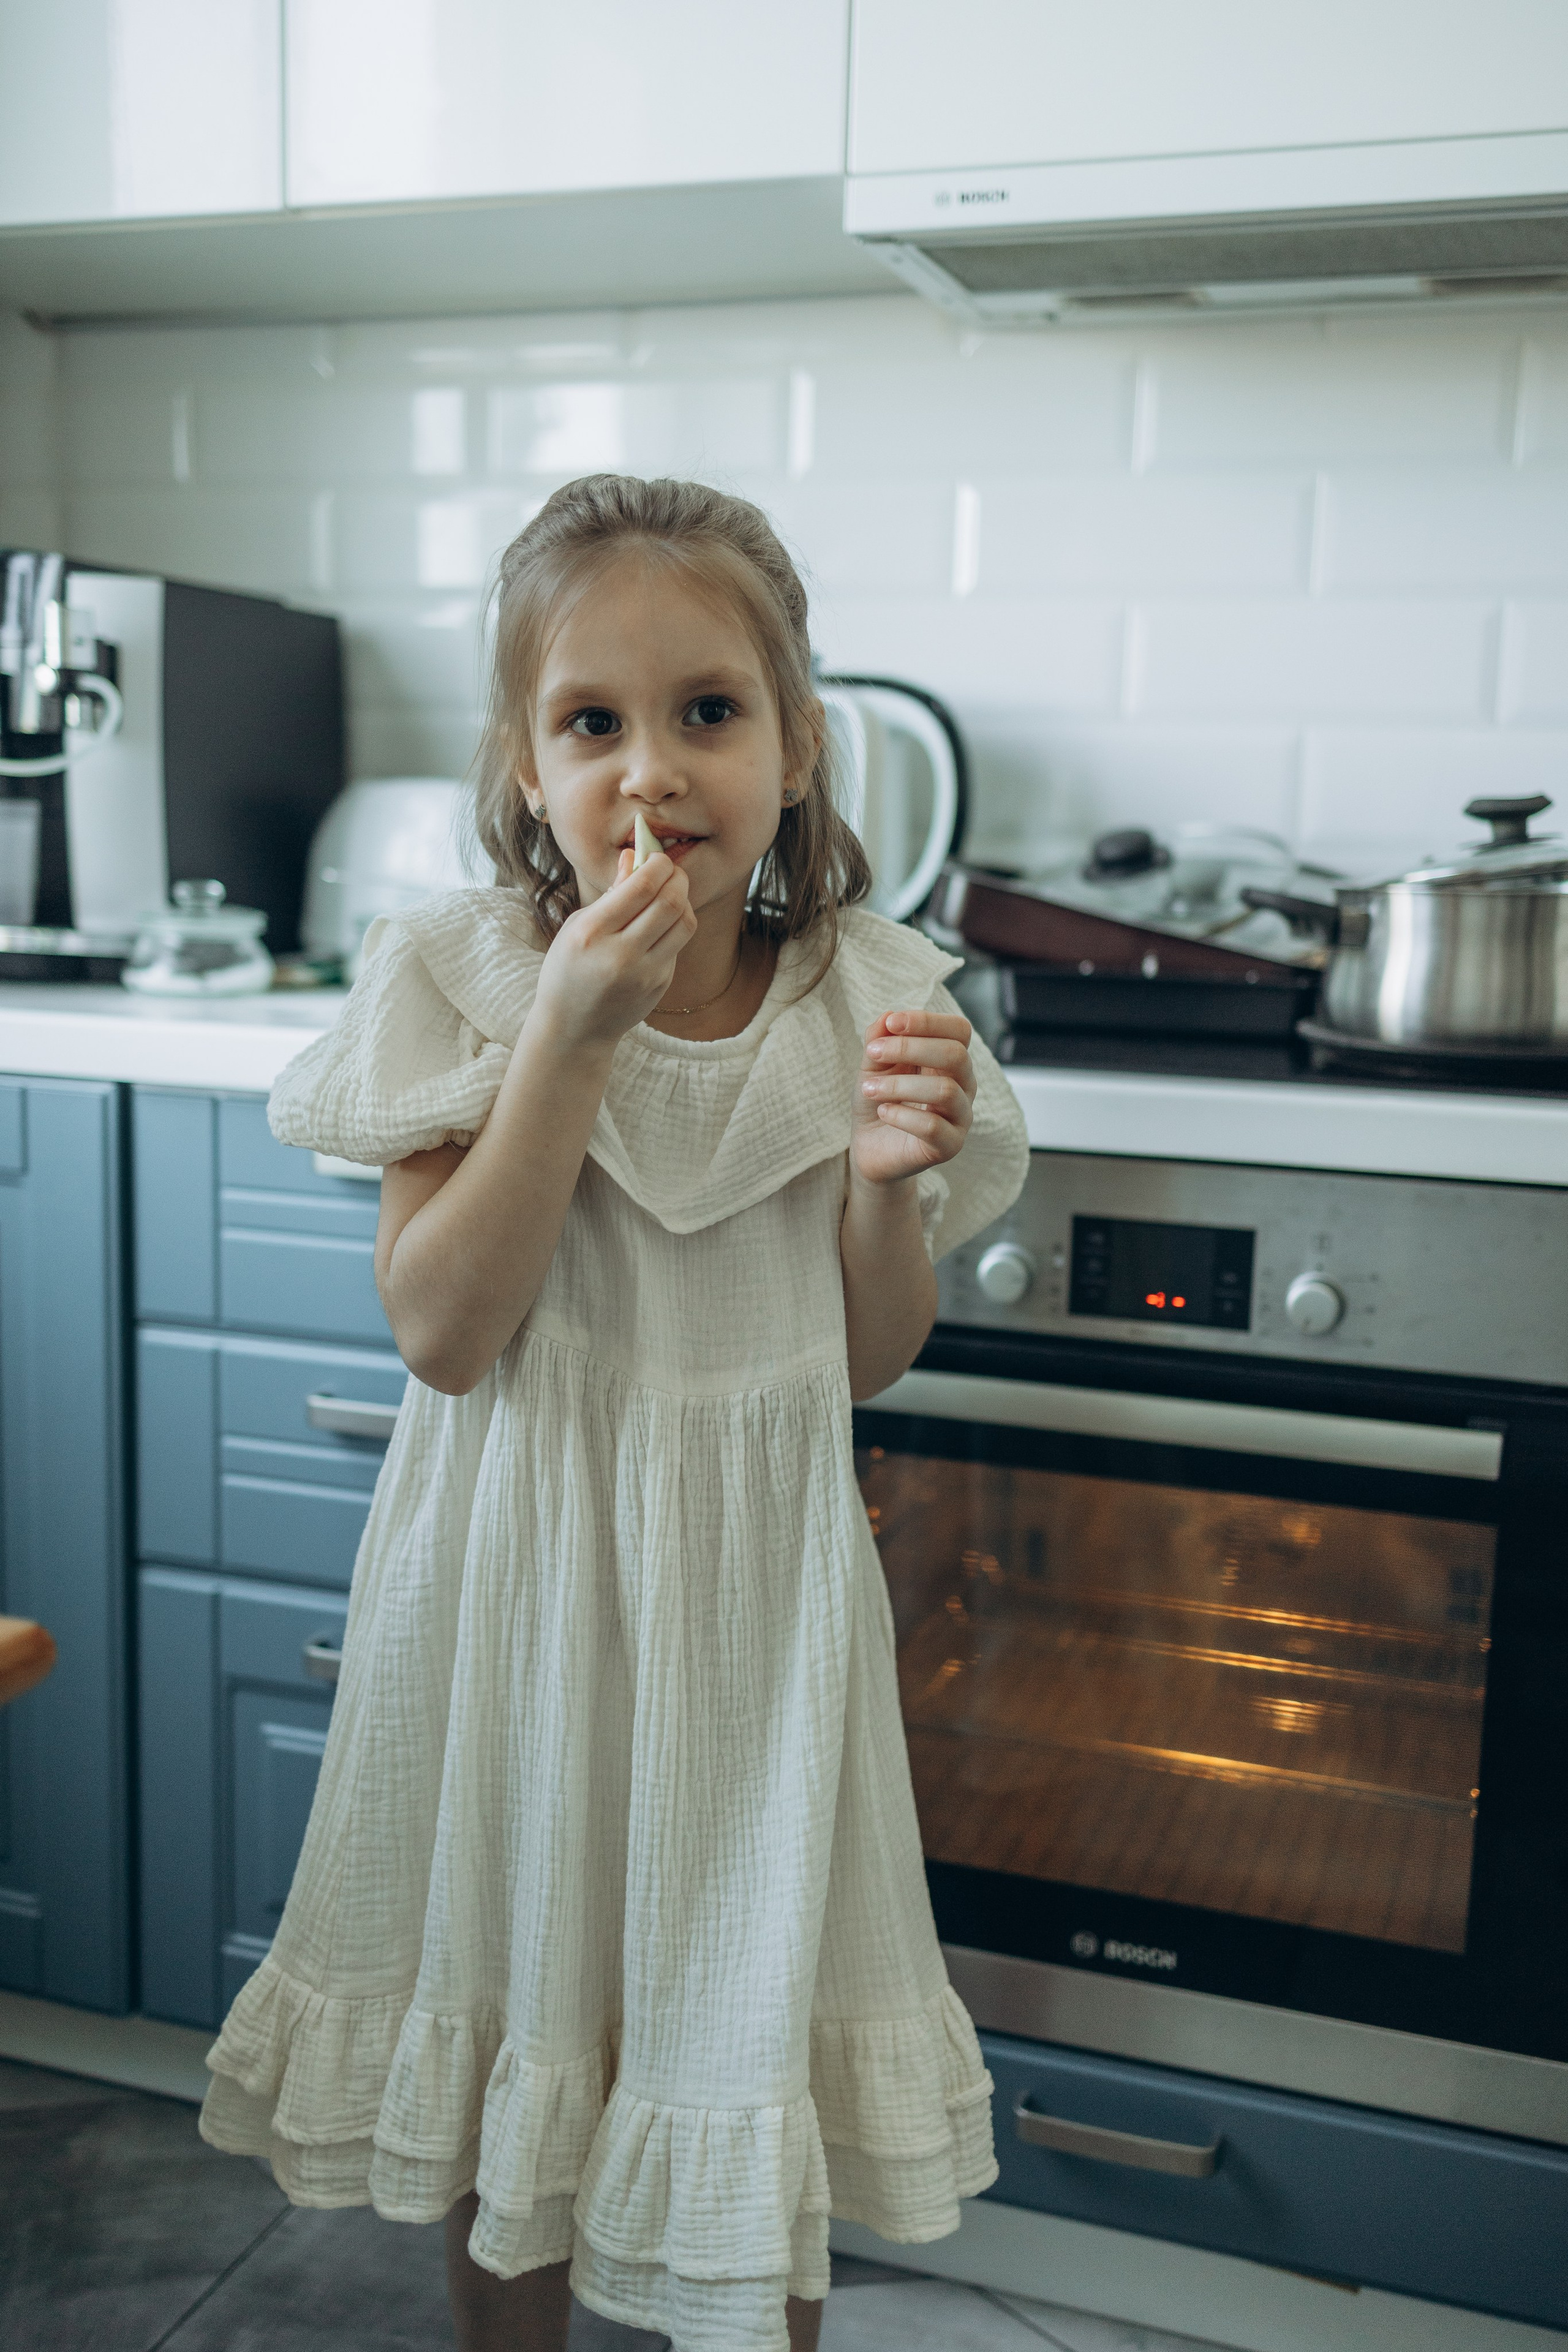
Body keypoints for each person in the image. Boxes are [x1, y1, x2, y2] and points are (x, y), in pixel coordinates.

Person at [198, 474, 1028, 2352]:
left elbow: (866, 1352)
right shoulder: (468, 986)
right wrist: (568, 1044)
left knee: (750, 2042)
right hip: (519, 1593)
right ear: (522, 764)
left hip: (762, 1631)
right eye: (593, 723)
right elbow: (445, 1330)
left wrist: (891, 1181)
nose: (652, 770)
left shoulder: (869, 999)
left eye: (709, 713)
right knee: (531, 2052)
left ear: (798, 748)